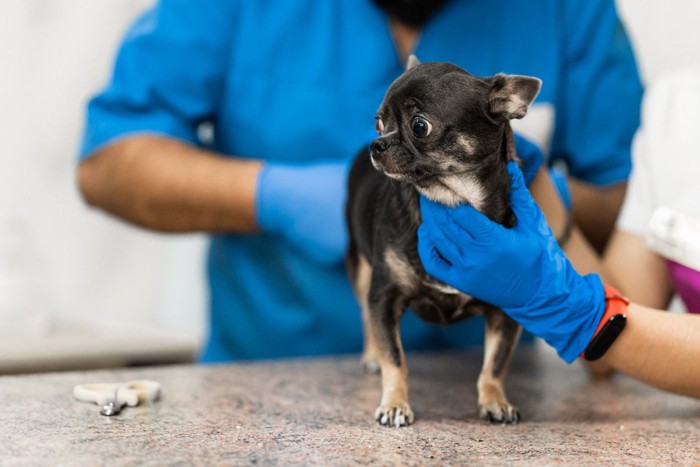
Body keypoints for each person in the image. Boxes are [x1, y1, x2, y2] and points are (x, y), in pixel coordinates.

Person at [77, 0, 642, 362]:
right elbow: (109, 163)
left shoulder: (575, 10)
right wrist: (274, 196)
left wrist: (536, 202)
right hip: (270, 379)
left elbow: (626, 201)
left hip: (488, 387)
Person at [417, 67, 700, 397]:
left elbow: (610, 330)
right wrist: (538, 189)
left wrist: (578, 314)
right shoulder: (675, 104)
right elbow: (612, 352)